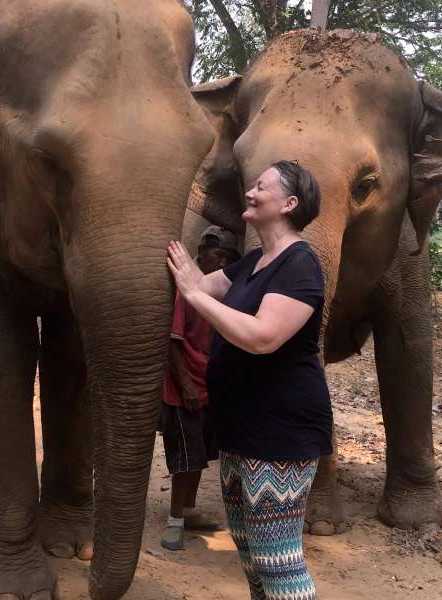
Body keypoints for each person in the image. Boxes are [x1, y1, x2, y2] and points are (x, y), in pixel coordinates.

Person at [166, 161, 334, 600]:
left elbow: (262, 338)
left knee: (278, 562)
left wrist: (193, 294)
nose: (250, 192)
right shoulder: (255, 261)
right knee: (252, 557)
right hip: (240, 432)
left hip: (280, 434)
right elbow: (200, 285)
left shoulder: (300, 265)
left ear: (289, 203)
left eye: (261, 187)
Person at [161, 226, 241, 551]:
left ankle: (190, 511)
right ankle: (174, 521)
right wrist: (186, 386)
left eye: (228, 258)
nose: (222, 263)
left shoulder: (219, 289)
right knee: (185, 458)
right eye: (218, 255)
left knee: (200, 456)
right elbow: (171, 342)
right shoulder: (185, 289)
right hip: (186, 390)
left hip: (209, 388)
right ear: (201, 250)